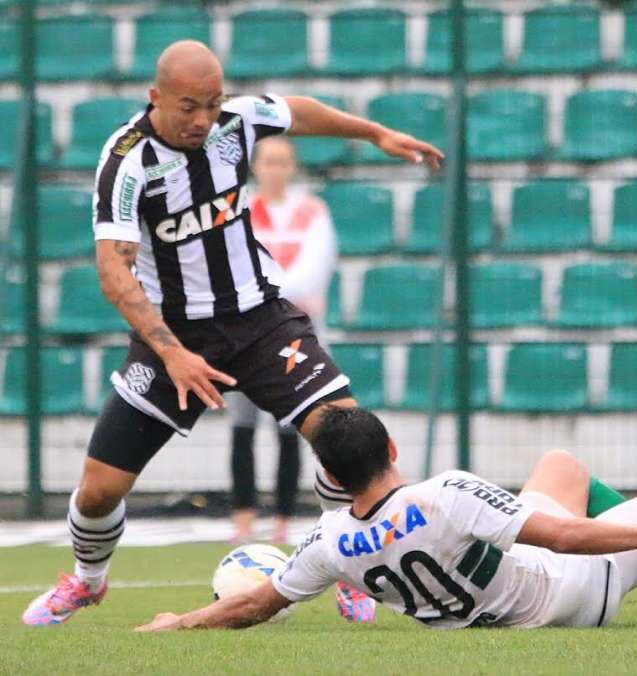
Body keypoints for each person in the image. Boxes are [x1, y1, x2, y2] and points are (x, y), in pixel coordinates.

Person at [21, 40, 442, 627]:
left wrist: (373, 133)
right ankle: (88, 581)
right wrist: (171, 353)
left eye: (213, 104)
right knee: (98, 490)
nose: (202, 120)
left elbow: (297, 110)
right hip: (172, 337)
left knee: (349, 440)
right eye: (188, 106)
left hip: (261, 320)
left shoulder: (235, 122)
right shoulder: (127, 161)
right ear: (155, 98)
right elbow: (113, 270)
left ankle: (348, 565)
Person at [136, 407, 637, 632]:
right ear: (394, 447)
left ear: (331, 479)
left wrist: (179, 623)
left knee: (562, 470)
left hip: (492, 603)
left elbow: (254, 605)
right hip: (566, 593)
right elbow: (568, 538)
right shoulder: (445, 491)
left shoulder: (327, 544)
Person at [228, 136, 336, 546]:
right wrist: (279, 293)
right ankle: (242, 517)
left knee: (290, 424)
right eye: (268, 161)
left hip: (295, 333)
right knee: (242, 425)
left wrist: (266, 292)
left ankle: (283, 520)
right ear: (256, 167)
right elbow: (236, 267)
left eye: (282, 161)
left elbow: (314, 269)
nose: (275, 169)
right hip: (245, 334)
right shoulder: (238, 211)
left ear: (292, 167)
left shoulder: (312, 212)